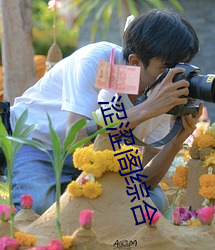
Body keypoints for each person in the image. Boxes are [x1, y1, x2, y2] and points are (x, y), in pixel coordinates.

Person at [6, 9, 202, 215]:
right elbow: (76, 139)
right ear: (135, 62)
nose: (175, 76)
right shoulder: (97, 62)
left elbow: (145, 181)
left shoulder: (165, 90)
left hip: (101, 157)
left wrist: (176, 141)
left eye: (182, 66)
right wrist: (148, 108)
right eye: (167, 68)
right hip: (37, 143)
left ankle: (71, 199)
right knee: (40, 207)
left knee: (151, 203)